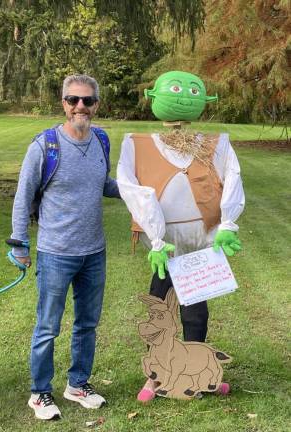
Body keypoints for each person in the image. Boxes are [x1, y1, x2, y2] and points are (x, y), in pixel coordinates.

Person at [117, 71, 245, 402]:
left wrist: (227, 223)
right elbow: (132, 189)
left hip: (199, 242)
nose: (185, 95)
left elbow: (232, 176)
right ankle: (155, 376)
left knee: (195, 309)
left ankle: (197, 375)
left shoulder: (215, 143)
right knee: (159, 306)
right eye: (177, 90)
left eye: (191, 90)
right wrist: (156, 239)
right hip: (166, 245)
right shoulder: (137, 144)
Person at [10, 74, 120, 420]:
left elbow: (103, 185)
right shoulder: (45, 146)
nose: (80, 107)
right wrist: (19, 244)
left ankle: (77, 385)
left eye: (87, 101)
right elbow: (23, 196)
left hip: (94, 252)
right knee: (48, 327)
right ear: (63, 104)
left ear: (97, 105)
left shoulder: (101, 140)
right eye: (73, 100)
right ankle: (40, 392)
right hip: (56, 252)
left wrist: (140, 189)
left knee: (87, 324)